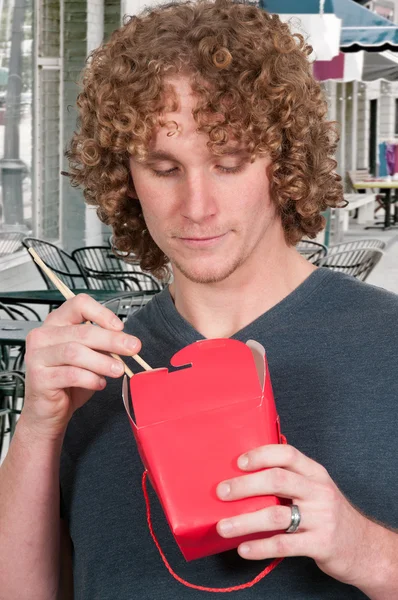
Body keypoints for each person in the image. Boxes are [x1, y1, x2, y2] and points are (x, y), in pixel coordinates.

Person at [1, 0, 397, 598]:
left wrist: (364, 549)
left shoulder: (387, 345)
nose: (197, 207)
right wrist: (36, 428)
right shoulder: (91, 379)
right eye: (163, 169)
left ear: (282, 164)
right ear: (125, 177)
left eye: (229, 163)